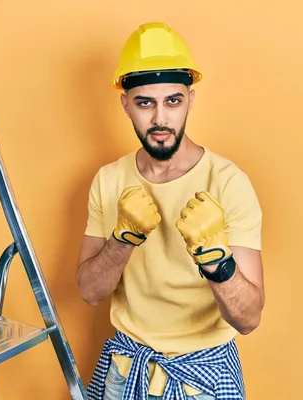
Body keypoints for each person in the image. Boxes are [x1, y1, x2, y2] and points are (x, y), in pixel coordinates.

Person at [76, 22, 265, 400]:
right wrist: (122, 238)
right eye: (146, 102)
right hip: (127, 364)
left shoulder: (229, 182)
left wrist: (216, 260)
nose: (160, 119)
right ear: (126, 104)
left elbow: (248, 319)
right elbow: (90, 292)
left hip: (205, 371)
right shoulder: (109, 180)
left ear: (190, 100)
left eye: (173, 101)